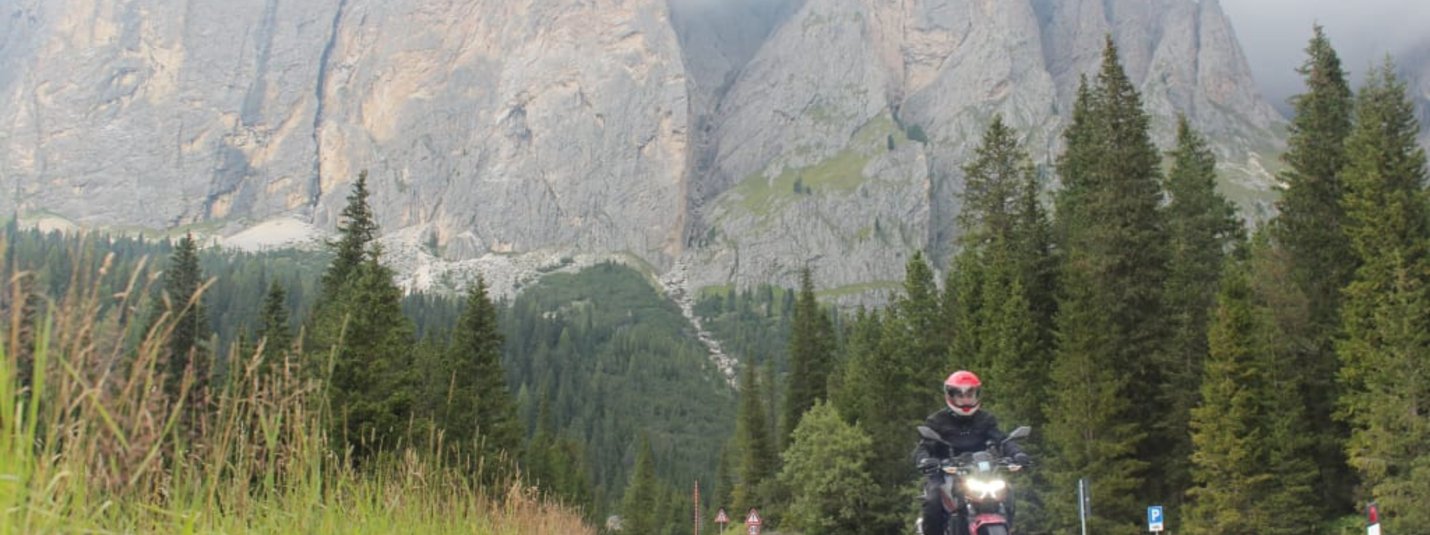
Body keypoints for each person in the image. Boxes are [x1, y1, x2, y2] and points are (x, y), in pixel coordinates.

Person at [913, 370, 1030, 535]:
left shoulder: (985, 419)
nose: (966, 399)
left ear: (977, 395)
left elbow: (1002, 440)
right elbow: (924, 446)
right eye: (960, 395)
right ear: (950, 396)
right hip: (946, 472)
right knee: (933, 498)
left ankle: (1007, 528)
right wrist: (926, 461)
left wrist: (1017, 454)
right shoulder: (937, 421)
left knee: (1007, 491)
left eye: (970, 394)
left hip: (981, 472)